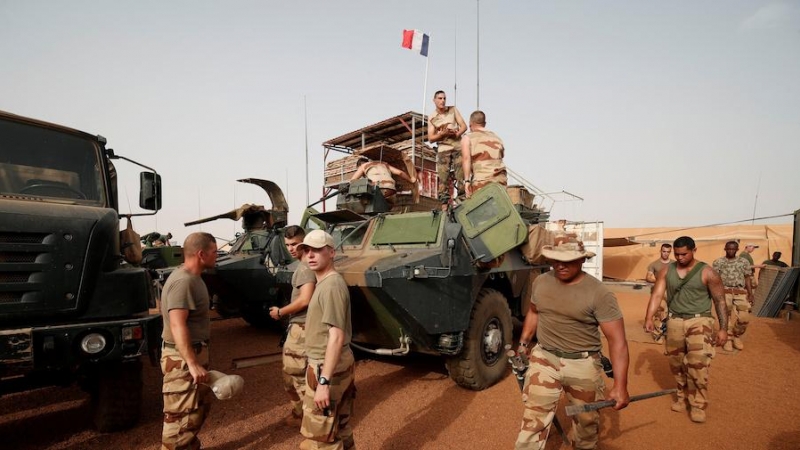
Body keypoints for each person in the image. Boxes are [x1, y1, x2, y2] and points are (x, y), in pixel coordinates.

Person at [515, 236, 629, 449]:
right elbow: (533, 312)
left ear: (582, 260)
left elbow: (618, 342)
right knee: (533, 419)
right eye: (556, 259)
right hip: (544, 359)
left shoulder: (599, 293)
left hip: (583, 365)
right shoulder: (541, 282)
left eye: (568, 260)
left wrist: (620, 386)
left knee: (586, 425)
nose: (560, 265)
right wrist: (523, 344)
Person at [645, 236, 728, 424]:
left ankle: (698, 404)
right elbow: (657, 294)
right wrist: (649, 317)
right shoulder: (667, 270)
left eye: (684, 254)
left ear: (694, 250)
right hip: (674, 320)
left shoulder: (708, 272)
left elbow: (720, 301)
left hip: (700, 321)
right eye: (677, 254)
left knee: (698, 363)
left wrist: (723, 329)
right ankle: (682, 397)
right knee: (676, 363)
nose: (680, 257)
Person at [298, 230, 356, 450]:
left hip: (326, 368)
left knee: (320, 439)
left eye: (317, 250)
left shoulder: (331, 285)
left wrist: (323, 382)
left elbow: (336, 335)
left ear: (331, 252)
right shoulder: (326, 283)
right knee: (340, 427)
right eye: (307, 250)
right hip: (334, 364)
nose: (310, 255)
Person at [159, 232, 218, 449]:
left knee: (196, 410)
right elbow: (177, 325)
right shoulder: (183, 282)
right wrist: (192, 364)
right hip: (182, 360)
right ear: (201, 254)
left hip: (191, 354)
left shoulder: (194, 278)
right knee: (180, 418)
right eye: (215, 252)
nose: (217, 256)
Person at [270, 225, 317, 427]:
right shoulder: (304, 266)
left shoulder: (305, 268)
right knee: (292, 375)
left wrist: (280, 312)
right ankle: (302, 414)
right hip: (299, 327)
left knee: (297, 376)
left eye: (295, 244)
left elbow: (305, 300)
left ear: (304, 243)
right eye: (288, 244)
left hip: (303, 328)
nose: (291, 248)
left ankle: (311, 419)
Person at [427, 90, 467, 206]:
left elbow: (464, 126)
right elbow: (430, 138)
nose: (443, 101)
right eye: (440, 98)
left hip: (457, 146)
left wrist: (456, 134)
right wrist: (442, 134)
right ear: (434, 100)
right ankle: (444, 204)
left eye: (444, 98)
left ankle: (461, 200)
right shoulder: (432, 117)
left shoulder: (453, 110)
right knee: (443, 177)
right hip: (443, 148)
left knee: (461, 175)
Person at [712, 241, 753, 352]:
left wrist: (750, 293)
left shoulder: (743, 262)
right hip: (724, 292)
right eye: (728, 249)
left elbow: (747, 278)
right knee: (726, 317)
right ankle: (728, 339)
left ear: (737, 249)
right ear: (725, 249)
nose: (731, 251)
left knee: (744, 317)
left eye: (733, 249)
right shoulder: (718, 262)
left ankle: (736, 335)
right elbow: (714, 279)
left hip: (740, 292)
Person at [460, 110, 507, 199]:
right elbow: (501, 156)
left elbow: (466, 159)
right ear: (484, 123)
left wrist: (467, 181)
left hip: (482, 181)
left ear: (470, 123)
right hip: (501, 182)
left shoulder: (467, 138)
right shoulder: (497, 138)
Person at [349, 157, 416, 207]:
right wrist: (411, 180)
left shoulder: (362, 166)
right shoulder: (384, 164)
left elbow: (352, 181)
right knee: (386, 203)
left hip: (377, 189)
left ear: (359, 166)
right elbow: (400, 173)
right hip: (391, 189)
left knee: (364, 199)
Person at [645, 243, 673, 343]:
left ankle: (668, 333)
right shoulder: (654, 264)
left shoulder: (674, 264)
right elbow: (648, 277)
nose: (665, 254)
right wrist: (661, 281)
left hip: (671, 292)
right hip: (658, 292)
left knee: (671, 314)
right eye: (664, 251)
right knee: (659, 312)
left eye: (668, 252)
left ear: (670, 252)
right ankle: (658, 335)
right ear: (660, 251)